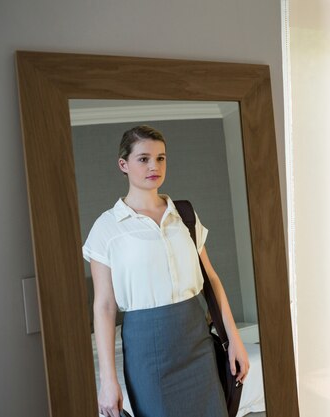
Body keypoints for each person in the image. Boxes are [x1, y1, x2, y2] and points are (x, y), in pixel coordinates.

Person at [83, 125, 249, 417]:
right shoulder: (107, 228)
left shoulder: (183, 214)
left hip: (196, 339)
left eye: (161, 158)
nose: (154, 166)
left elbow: (211, 278)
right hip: (147, 349)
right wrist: (107, 380)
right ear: (123, 164)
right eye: (144, 159)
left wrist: (234, 339)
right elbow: (105, 306)